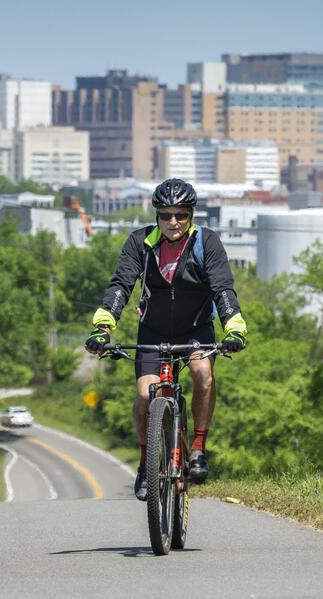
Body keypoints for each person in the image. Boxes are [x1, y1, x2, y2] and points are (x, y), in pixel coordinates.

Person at [85, 178, 247, 501]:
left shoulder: (206, 243)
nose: (173, 222)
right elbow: (121, 285)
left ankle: (198, 447)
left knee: (203, 373)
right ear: (157, 215)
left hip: (196, 329)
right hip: (154, 331)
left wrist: (234, 327)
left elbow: (222, 287)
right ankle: (147, 462)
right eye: (166, 214)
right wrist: (103, 327)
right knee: (145, 394)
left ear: (191, 216)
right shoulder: (140, 243)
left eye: (181, 215)